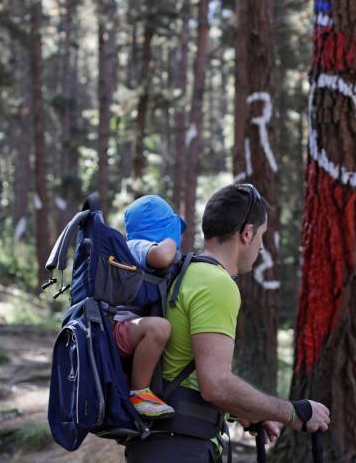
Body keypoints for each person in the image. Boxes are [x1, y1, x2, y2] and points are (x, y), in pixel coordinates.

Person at [125, 184, 330, 463]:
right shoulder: (216, 284)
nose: (261, 245)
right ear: (246, 233)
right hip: (180, 449)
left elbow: (183, 367)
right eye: (261, 236)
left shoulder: (186, 273)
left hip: (160, 444)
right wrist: (294, 412)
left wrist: (249, 410)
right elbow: (216, 385)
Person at [115, 195, 187, 418]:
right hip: (117, 328)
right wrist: (170, 241)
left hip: (126, 328)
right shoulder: (134, 246)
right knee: (159, 328)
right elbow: (163, 257)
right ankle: (139, 393)